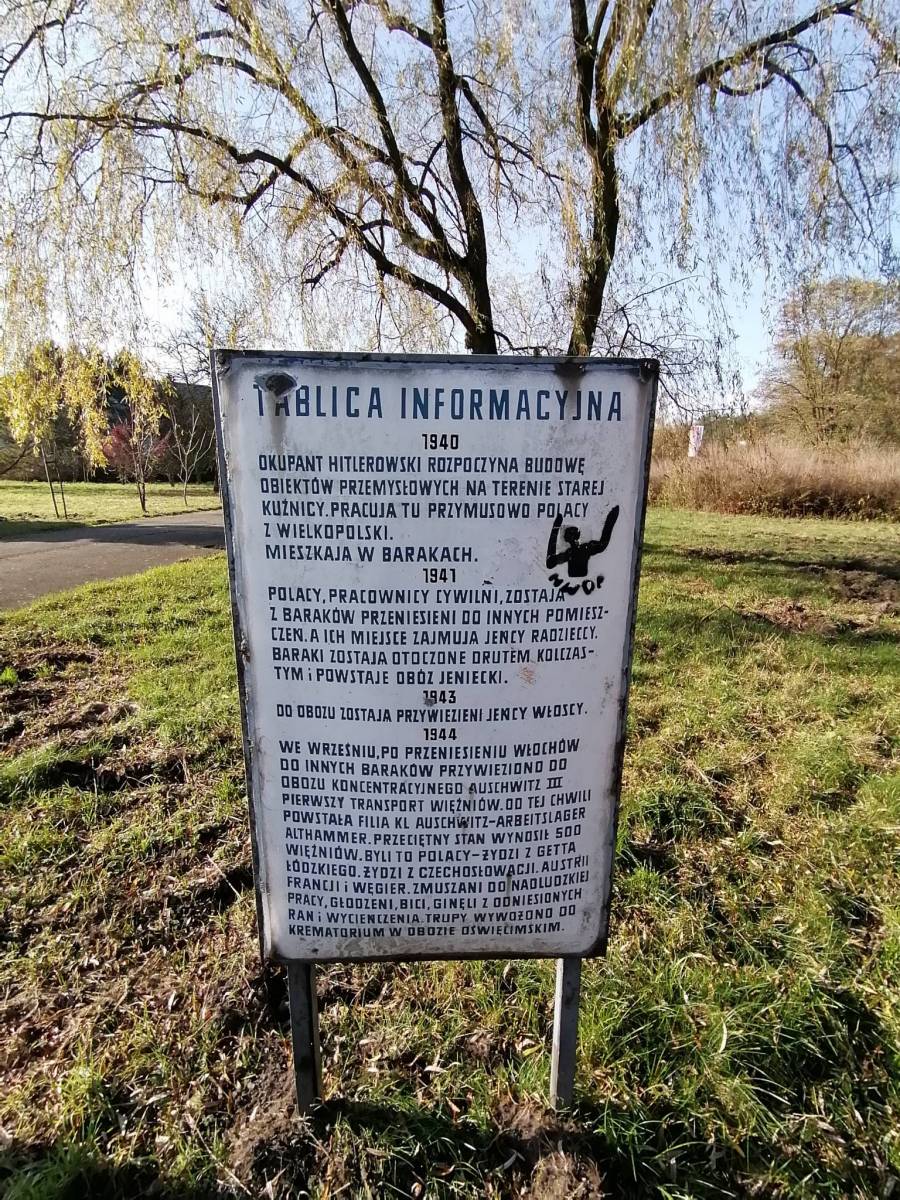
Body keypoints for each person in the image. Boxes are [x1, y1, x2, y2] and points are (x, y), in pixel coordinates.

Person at [546, 506, 619, 578]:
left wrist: (555, 528)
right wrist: (611, 519)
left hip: (577, 564)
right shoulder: (578, 551)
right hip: (578, 563)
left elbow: (550, 562)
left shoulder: (575, 552)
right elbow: (602, 545)